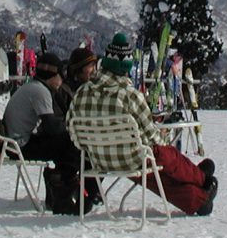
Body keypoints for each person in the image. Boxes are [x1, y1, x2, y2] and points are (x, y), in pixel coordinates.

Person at [67, 33, 218, 216]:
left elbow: (72, 129)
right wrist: (159, 142)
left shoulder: (81, 94)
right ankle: (201, 180)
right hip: (133, 159)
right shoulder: (130, 95)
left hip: (99, 160)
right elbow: (152, 135)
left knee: (154, 173)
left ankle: (197, 196)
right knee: (165, 155)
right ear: (126, 67)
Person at [2, 52, 86, 213]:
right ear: (53, 75)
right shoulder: (40, 92)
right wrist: (75, 130)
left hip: (14, 142)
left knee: (64, 145)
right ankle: (61, 192)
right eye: (61, 76)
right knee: (71, 146)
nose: (62, 81)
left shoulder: (32, 86)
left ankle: (57, 184)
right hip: (19, 146)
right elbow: (51, 126)